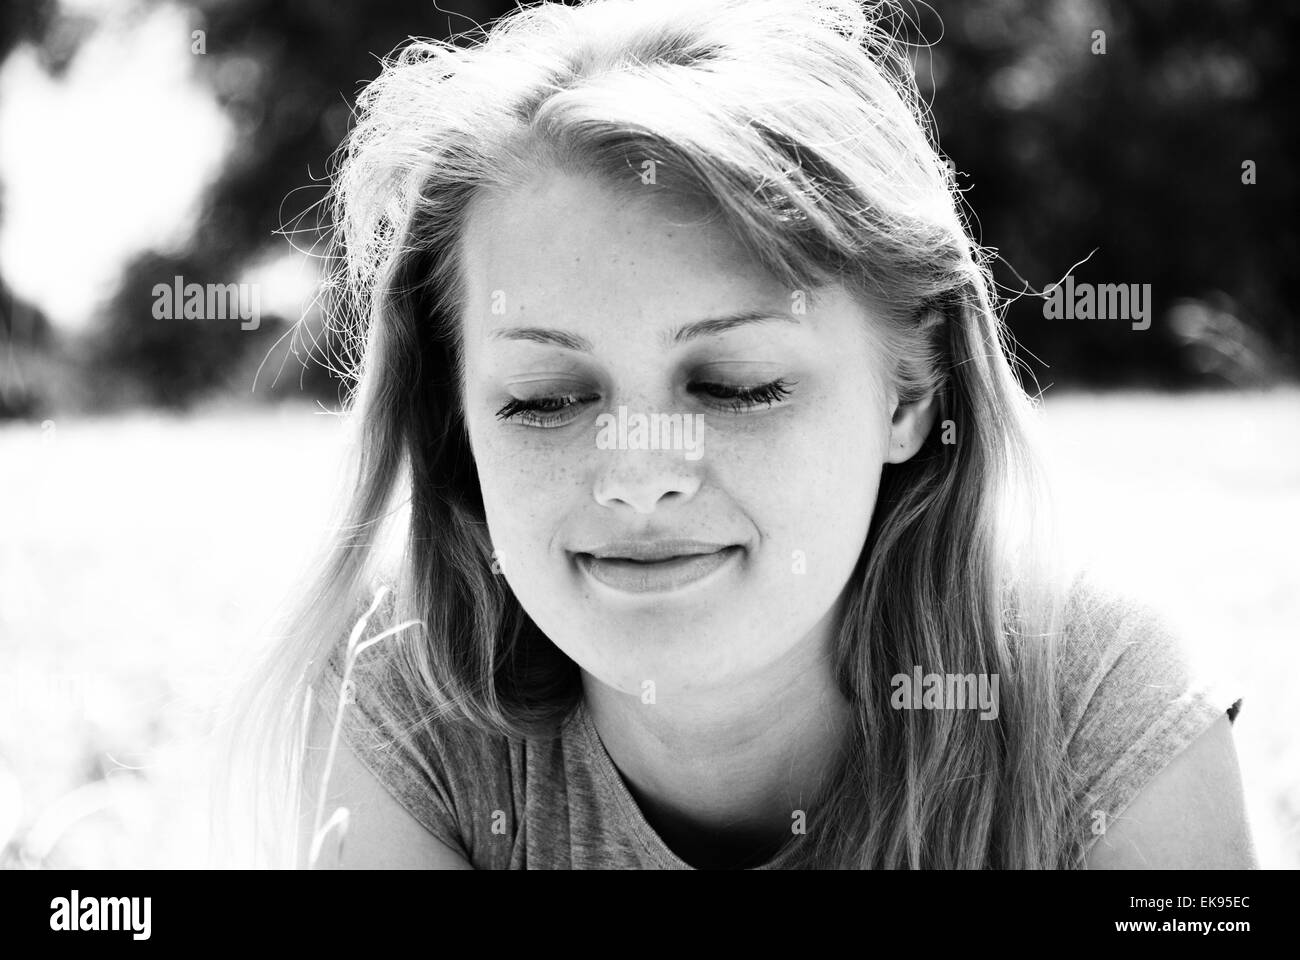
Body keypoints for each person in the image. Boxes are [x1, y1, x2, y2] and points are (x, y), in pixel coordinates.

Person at [222, 0, 1255, 869]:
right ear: (456, 425)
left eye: (735, 383)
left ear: (911, 391)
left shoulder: (1099, 704)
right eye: (543, 396)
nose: (636, 478)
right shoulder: (415, 705)